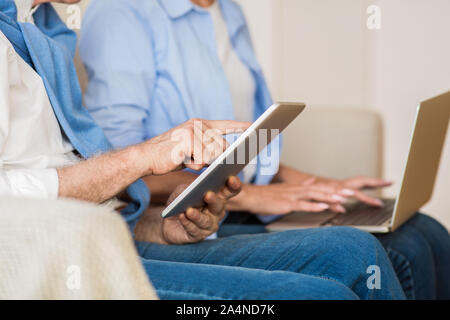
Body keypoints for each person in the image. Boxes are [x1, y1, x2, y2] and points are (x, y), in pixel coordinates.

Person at [0, 0, 407, 300]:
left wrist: (159, 225)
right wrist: (143, 156)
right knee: (323, 295)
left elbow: (83, 186)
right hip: (74, 259)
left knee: (357, 250)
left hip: (125, 232)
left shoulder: (44, 30)